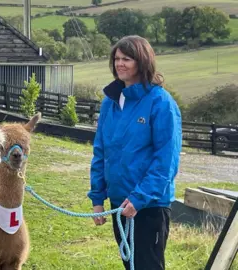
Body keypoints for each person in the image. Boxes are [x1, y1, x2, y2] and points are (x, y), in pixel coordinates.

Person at [87, 35, 182, 270]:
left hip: (149, 206)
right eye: (117, 58)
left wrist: (139, 198)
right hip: (120, 203)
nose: (120, 64)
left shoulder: (161, 103)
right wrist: (98, 198)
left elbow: (166, 161)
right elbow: (101, 152)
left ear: (142, 61)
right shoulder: (109, 103)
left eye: (126, 59)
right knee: (129, 264)